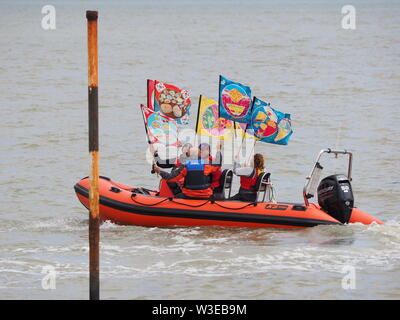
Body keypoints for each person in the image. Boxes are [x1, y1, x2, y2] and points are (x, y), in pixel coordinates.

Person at [154, 147, 220, 199]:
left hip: (189, 195)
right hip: (206, 195)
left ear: (188, 155)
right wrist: (218, 150)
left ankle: (174, 202)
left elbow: (170, 178)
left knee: (172, 185)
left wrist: (159, 171)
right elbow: (218, 164)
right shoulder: (207, 165)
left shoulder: (185, 166)